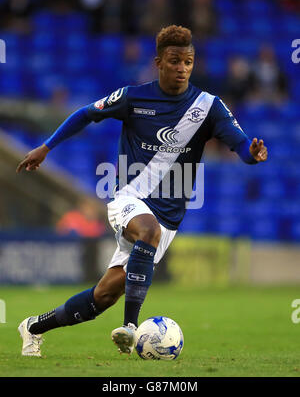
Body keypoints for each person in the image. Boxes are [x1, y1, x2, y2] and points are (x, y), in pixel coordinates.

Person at [16, 25, 268, 357]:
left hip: (169, 219)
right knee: (146, 230)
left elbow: (241, 146)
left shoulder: (208, 107)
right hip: (129, 199)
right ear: (159, 62)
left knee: (102, 296)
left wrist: (252, 154)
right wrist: (46, 147)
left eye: (188, 62)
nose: (181, 68)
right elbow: (85, 114)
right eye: (174, 61)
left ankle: (33, 327)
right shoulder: (134, 97)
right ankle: (131, 328)